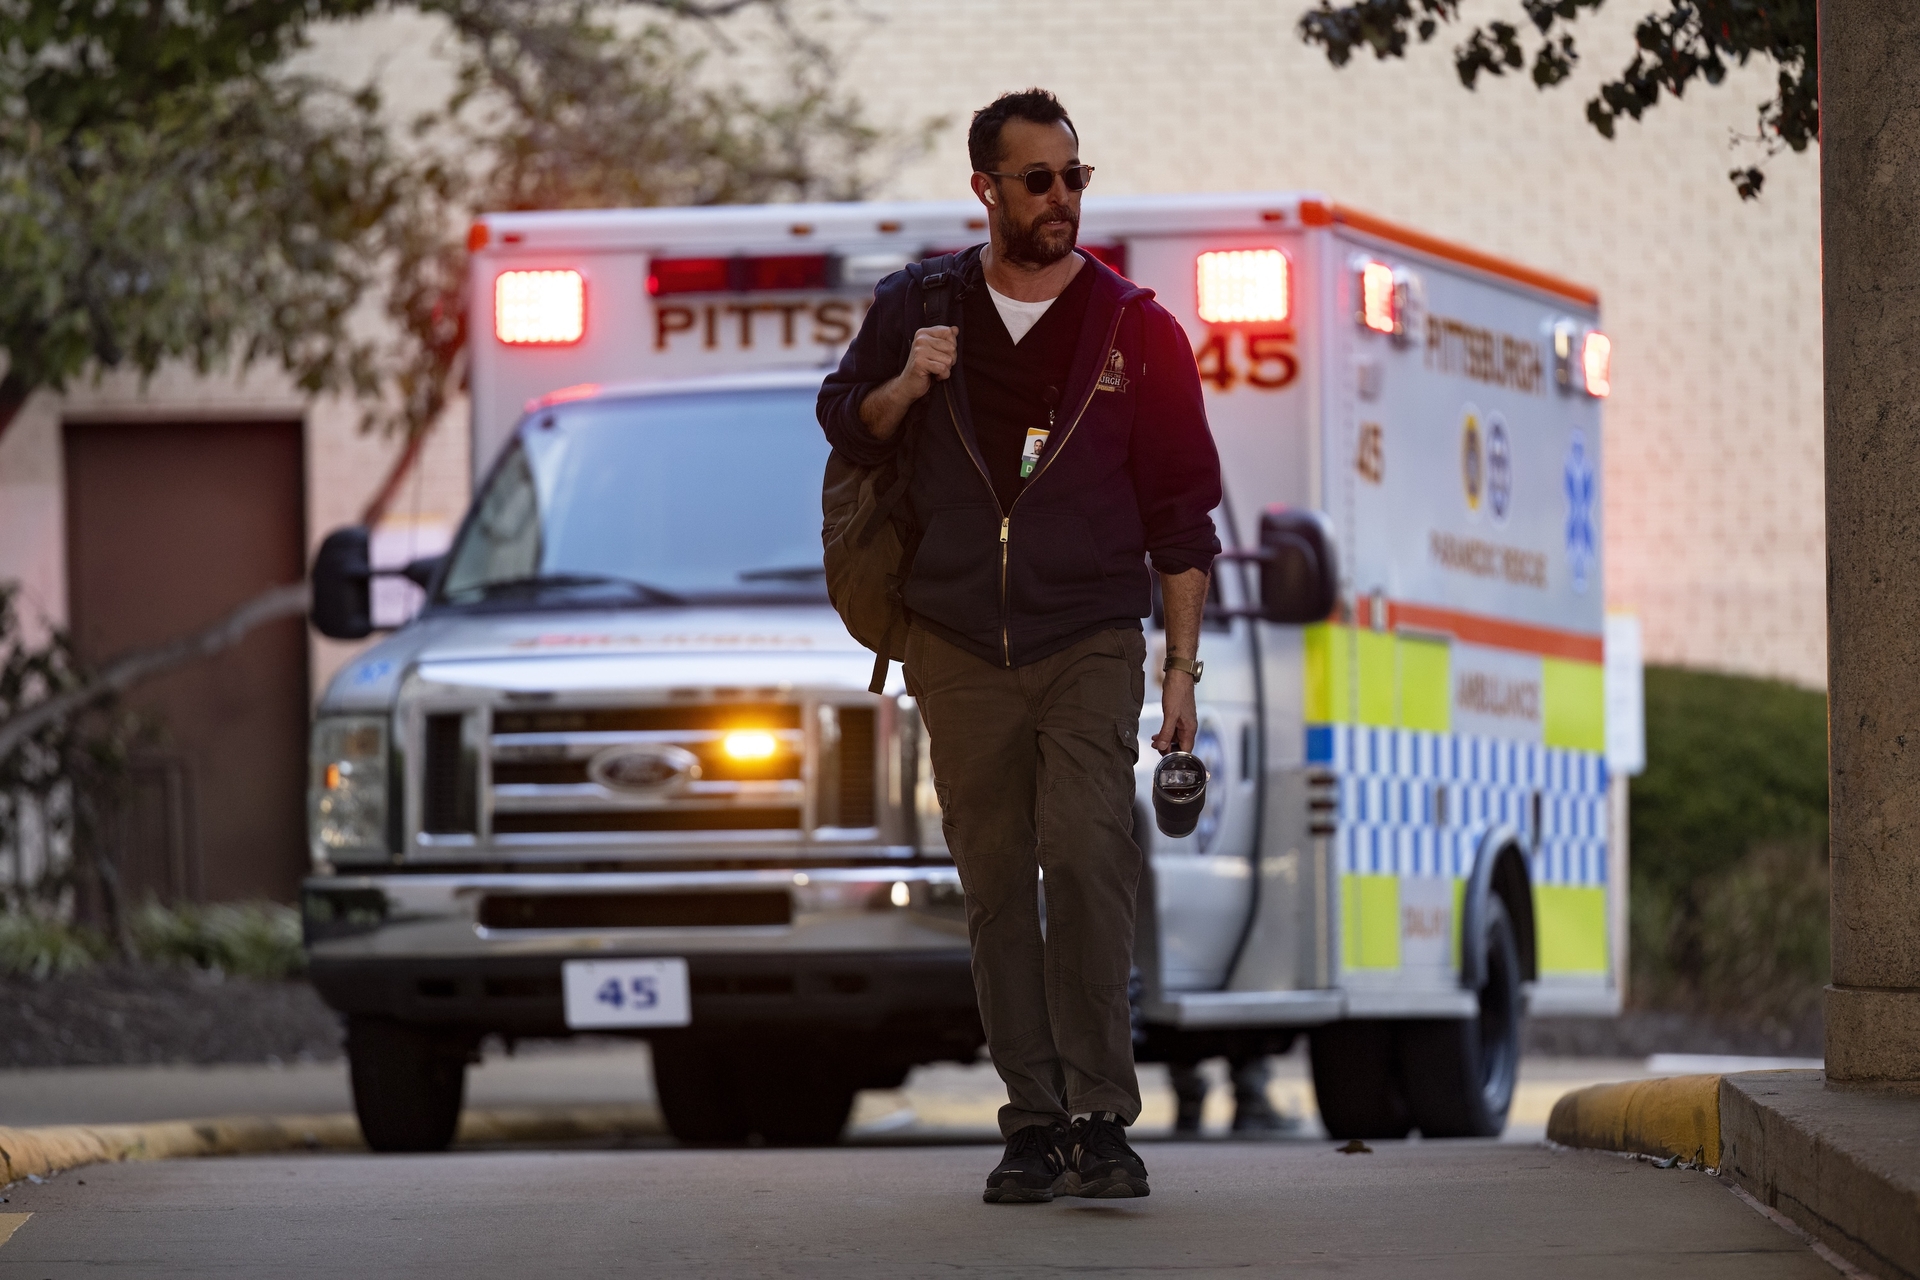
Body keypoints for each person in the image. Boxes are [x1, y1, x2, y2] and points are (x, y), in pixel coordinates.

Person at [818, 88, 1223, 1203]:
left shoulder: (1137, 328)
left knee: (1090, 858)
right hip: (955, 640)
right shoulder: (920, 304)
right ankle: (1033, 1121)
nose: (1061, 200)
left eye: (1075, 178)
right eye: (1038, 181)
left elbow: (1185, 517)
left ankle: (1102, 1113)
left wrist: (1180, 671)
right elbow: (844, 419)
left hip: (1088, 633)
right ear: (986, 189)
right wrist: (910, 380)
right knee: (996, 883)